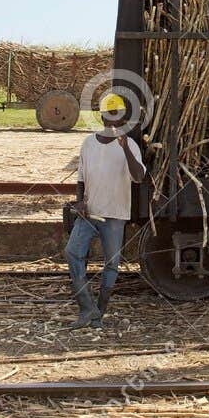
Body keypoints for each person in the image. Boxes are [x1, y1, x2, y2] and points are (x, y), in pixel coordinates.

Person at [65, 93, 146, 330]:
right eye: (109, 115)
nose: (113, 121)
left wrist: (126, 149)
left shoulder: (130, 144)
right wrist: (80, 202)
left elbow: (139, 177)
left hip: (115, 214)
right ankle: (87, 307)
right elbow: (81, 177)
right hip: (89, 213)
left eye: (117, 116)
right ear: (101, 116)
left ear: (122, 119)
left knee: (111, 264)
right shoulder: (89, 143)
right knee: (72, 253)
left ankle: (98, 314)